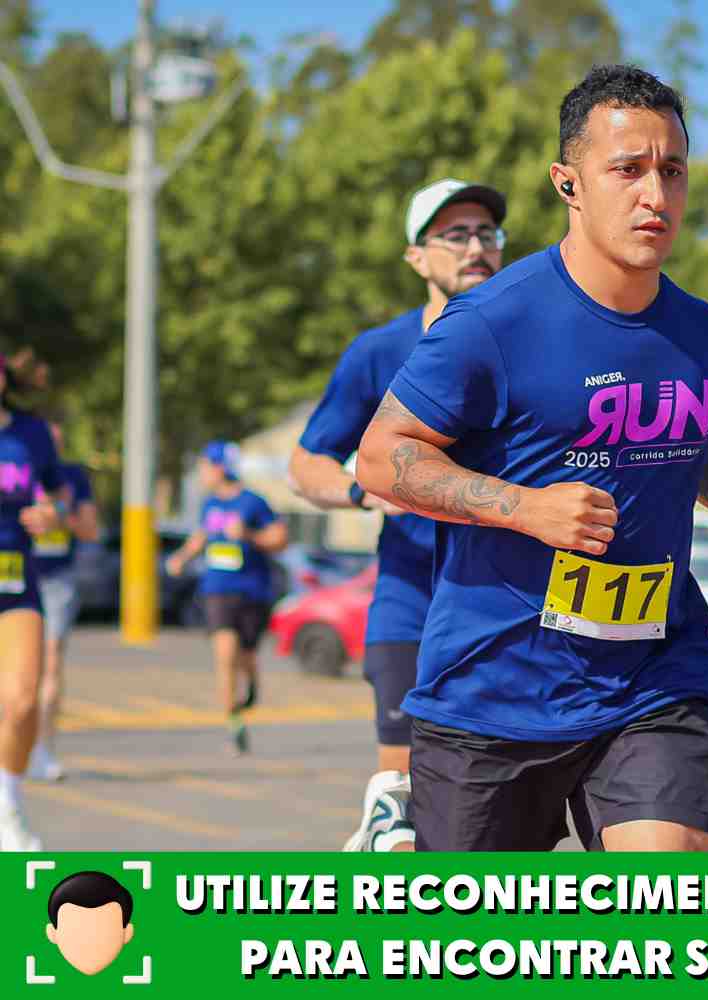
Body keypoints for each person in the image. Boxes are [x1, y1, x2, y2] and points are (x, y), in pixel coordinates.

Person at [356, 64, 708, 852]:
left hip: (652, 679)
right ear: (568, 184)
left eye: (672, 170)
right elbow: (382, 460)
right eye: (628, 169)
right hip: (492, 691)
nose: (656, 195)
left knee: (667, 897)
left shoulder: (702, 333)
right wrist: (525, 507)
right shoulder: (491, 322)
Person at [289, 178, 507, 852]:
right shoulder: (379, 352)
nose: (475, 246)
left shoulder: (530, 338)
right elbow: (307, 463)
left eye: (487, 233)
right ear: (417, 257)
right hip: (412, 596)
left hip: (510, 600)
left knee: (494, 814)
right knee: (407, 798)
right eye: (455, 234)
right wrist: (362, 490)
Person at [166, 442, 288, 755]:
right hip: (217, 589)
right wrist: (182, 557)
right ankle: (234, 725)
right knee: (224, 654)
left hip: (252, 591)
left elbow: (280, 538)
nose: (202, 472)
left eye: (205, 466)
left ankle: (252, 682)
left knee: (245, 656)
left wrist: (249, 535)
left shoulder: (253, 502)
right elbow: (202, 535)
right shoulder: (209, 504)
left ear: (221, 468)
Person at [0, 353, 67, 850]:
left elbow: (59, 497)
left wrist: (50, 514)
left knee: (23, 702)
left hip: (15, 576)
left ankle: (7, 807)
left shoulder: (32, 434)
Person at [30, 417, 100, 782]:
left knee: (51, 662)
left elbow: (90, 529)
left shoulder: (72, 478)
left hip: (57, 581)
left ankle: (43, 750)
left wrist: (58, 516)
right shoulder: (14, 467)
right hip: (13, 574)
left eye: (54, 441)